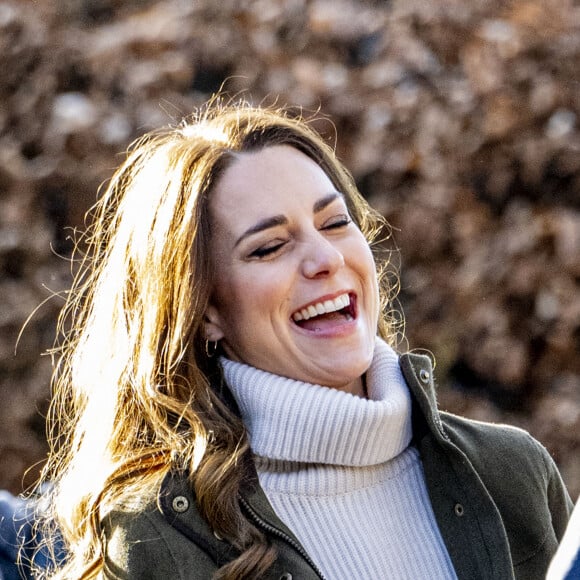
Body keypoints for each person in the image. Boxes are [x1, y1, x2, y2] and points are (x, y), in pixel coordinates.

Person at [37, 99, 573, 579]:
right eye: (269, 247)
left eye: (336, 222)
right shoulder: (163, 536)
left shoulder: (511, 473)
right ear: (204, 312)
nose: (326, 259)